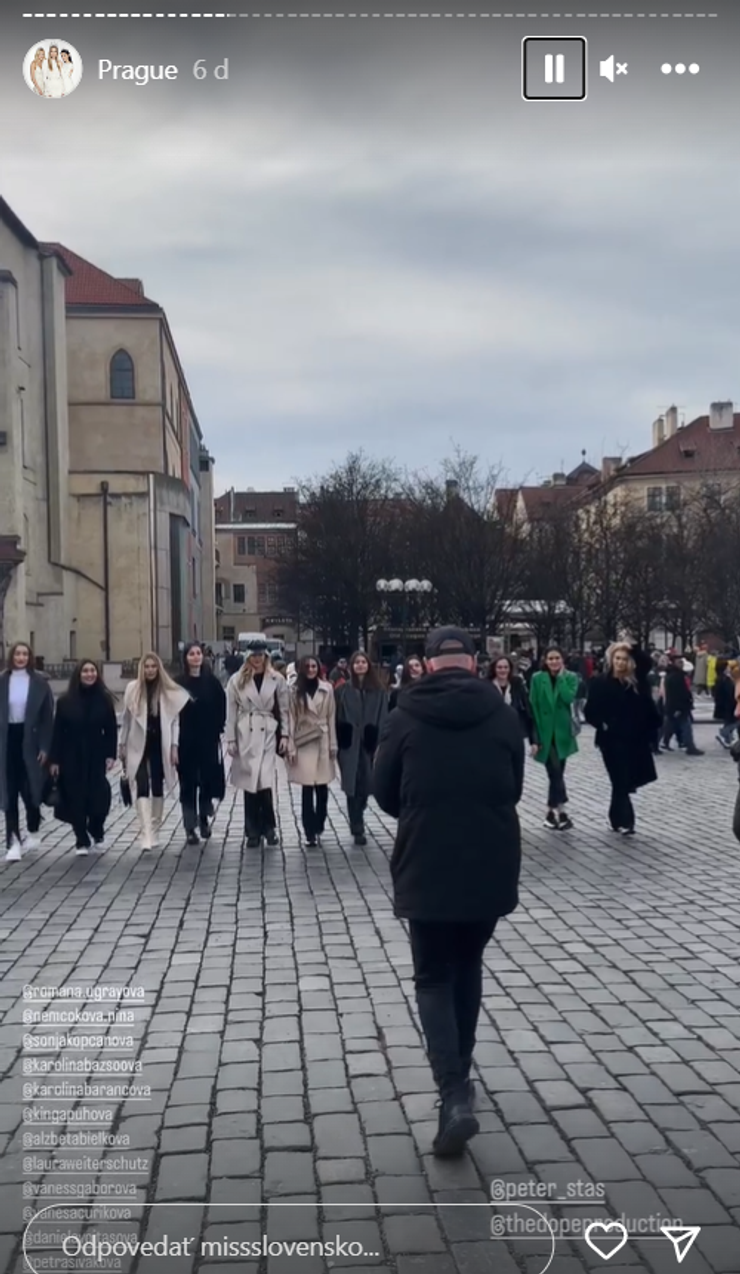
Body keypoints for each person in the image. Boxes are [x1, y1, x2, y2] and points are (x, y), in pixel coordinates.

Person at [373, 626, 523, 1157]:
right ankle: (461, 1080)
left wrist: (422, 810)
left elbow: (383, 791)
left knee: (433, 976)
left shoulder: (404, 717)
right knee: (468, 967)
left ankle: (452, 1091)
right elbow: (516, 787)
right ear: (476, 663)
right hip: (489, 862)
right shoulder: (503, 715)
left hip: (428, 861)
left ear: (429, 664)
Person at [584, 642, 660, 835]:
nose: (620, 662)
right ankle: (626, 820)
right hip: (610, 739)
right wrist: (603, 724)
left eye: (624, 659)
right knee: (620, 779)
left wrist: (631, 647)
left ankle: (616, 819)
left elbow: (646, 662)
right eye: (617, 658)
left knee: (625, 780)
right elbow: (590, 710)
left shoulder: (636, 681)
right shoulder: (601, 682)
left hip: (634, 738)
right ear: (611, 660)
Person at [119, 653, 190, 851]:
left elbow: (175, 720)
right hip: (137, 743)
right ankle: (146, 831)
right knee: (141, 784)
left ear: (158, 669)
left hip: (160, 743)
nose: (150, 670)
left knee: (158, 785)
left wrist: (174, 746)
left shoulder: (166, 690)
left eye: (153, 666)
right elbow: (126, 719)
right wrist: (121, 745)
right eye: (147, 666)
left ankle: (156, 828)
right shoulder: (133, 689)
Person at [48, 660, 118, 856]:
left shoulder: (104, 700)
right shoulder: (65, 701)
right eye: (85, 671)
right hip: (71, 755)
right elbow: (58, 732)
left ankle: (96, 828)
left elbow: (111, 729)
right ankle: (81, 839)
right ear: (78, 675)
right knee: (75, 798)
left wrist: (110, 755)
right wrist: (54, 760)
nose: (89, 674)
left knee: (100, 797)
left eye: (92, 670)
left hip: (96, 754)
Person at [225, 641, 290, 848]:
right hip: (246, 730)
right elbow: (231, 711)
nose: (257, 659)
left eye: (260, 655)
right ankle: (252, 830)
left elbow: (284, 708)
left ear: (266, 657)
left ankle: (269, 828)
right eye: (253, 655)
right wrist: (231, 739)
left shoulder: (277, 679)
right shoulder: (237, 680)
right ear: (247, 657)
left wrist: (286, 735)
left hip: (268, 730)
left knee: (264, 781)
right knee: (249, 783)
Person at [0, 643, 54, 863]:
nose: (21, 658)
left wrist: (44, 747)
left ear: (30, 657)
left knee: (31, 789)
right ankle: (12, 841)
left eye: (25, 654)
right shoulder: (3, 681)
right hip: (7, 740)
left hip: (30, 740)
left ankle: (33, 824)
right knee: (9, 791)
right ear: (11, 656)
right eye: (17, 654)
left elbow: (47, 718)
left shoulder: (40, 683)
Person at [175, 642, 226, 845]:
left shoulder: (211, 682)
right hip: (185, 740)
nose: (196, 657)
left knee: (206, 781)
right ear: (185, 658)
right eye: (191, 654)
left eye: (198, 653)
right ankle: (189, 826)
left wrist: (218, 728)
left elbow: (221, 707)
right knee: (188, 784)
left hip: (207, 739)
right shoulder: (178, 683)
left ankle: (204, 818)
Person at [334, 650, 387, 846]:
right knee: (352, 785)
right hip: (349, 743)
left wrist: (379, 737)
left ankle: (360, 810)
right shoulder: (343, 690)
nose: (360, 666)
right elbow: (337, 715)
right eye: (356, 663)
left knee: (366, 784)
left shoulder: (379, 691)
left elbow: (383, 716)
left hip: (369, 743)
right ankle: (357, 827)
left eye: (363, 662)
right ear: (351, 666)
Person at [286, 655, 337, 847]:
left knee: (322, 786)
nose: (310, 669)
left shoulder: (327, 689)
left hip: (323, 737)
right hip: (304, 739)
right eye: (306, 666)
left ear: (319, 668)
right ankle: (309, 830)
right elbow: (290, 719)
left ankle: (320, 821)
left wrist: (333, 744)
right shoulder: (294, 691)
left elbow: (331, 716)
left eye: (314, 665)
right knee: (307, 788)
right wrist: (290, 745)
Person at [528, 648, 580, 830]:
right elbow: (533, 705)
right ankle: (562, 810)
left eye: (557, 658)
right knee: (555, 771)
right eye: (550, 658)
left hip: (562, 733)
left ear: (562, 660)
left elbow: (568, 698)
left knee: (556, 773)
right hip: (545, 732)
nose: (554, 661)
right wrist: (535, 737)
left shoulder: (571, 677)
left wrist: (561, 679)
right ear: (545, 660)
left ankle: (551, 812)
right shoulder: (537, 678)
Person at [661, 651, 703, 755]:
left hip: (676, 707)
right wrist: (679, 708)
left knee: (669, 726)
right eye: (679, 662)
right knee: (685, 727)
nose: (682, 664)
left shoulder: (674, 674)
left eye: (682, 662)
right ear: (674, 663)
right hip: (678, 707)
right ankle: (690, 747)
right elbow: (677, 694)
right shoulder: (675, 676)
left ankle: (661, 743)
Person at [487, 656, 533, 742]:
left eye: (505, 667)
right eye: (499, 667)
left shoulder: (517, 684)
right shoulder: (486, 686)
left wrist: (533, 739)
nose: (503, 670)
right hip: (494, 734)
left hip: (518, 732)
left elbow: (527, 711)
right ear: (494, 669)